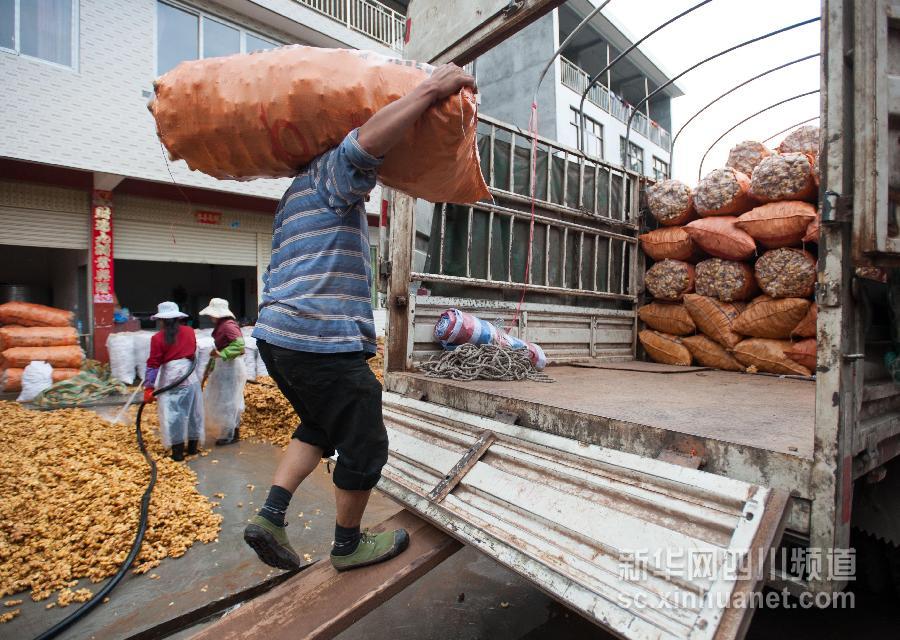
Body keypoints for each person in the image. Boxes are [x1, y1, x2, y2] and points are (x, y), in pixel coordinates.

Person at [244, 63, 477, 572]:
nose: (368, 183)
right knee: (366, 443)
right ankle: (348, 546)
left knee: (319, 425)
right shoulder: (329, 170)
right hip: (317, 338)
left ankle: (270, 517)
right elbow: (365, 144)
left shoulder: (293, 196)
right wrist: (432, 90)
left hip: (278, 338)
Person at [143, 301, 205, 461]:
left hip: (171, 378)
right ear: (178, 318)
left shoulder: (157, 338)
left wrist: (149, 387)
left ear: (161, 320)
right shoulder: (189, 331)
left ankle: (178, 453)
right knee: (193, 412)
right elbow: (192, 352)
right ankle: (192, 448)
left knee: (174, 414)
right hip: (190, 377)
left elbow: (153, 364)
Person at [199, 297, 246, 446]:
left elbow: (240, 346)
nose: (210, 317)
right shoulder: (222, 325)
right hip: (224, 367)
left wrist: (221, 354)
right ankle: (229, 431)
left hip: (230, 367)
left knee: (228, 401)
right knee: (226, 400)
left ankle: (231, 434)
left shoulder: (228, 325)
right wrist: (210, 367)